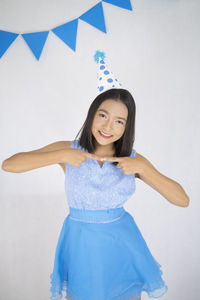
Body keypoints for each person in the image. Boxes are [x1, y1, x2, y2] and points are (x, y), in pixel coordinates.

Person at [2, 88, 190, 300]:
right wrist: (61, 155)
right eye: (103, 115)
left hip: (121, 249)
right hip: (81, 247)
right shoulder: (68, 149)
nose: (108, 126)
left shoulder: (133, 159)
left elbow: (182, 200)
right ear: (92, 114)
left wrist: (145, 169)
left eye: (119, 121)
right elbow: (9, 165)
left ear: (127, 126)